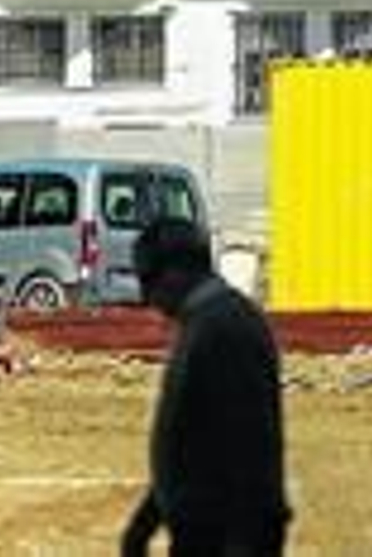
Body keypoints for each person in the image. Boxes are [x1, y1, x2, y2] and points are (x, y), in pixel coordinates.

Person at [121, 218, 291, 557]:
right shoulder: (208, 323)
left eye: (149, 281)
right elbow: (193, 441)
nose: (146, 296)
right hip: (209, 532)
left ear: (176, 272)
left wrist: (244, 543)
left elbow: (248, 446)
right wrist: (144, 524)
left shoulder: (222, 328)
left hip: (225, 535)